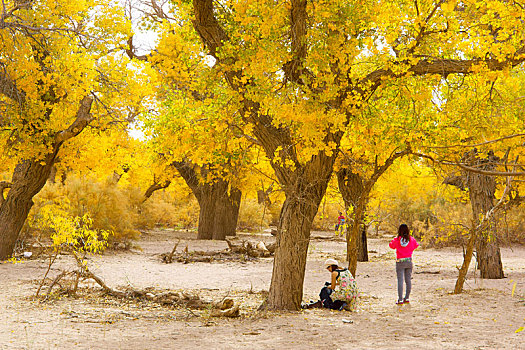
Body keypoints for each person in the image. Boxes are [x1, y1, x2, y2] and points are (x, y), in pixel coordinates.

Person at [389, 224, 419, 305]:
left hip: (400, 262)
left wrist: (396, 239)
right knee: (408, 280)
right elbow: (416, 245)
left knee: (400, 281)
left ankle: (400, 299)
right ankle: (407, 298)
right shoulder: (411, 239)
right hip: (409, 261)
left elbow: (391, 245)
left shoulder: (397, 240)